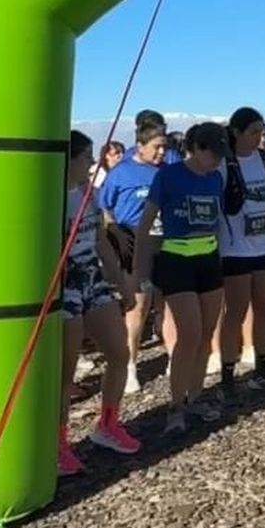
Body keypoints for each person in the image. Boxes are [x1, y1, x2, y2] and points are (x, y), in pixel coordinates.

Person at [132, 122, 228, 433]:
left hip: (209, 259)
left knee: (206, 334)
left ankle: (196, 396)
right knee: (189, 334)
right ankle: (175, 405)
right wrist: (138, 269)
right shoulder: (169, 176)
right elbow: (145, 224)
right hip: (177, 260)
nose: (217, 161)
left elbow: (216, 221)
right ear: (197, 149)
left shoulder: (215, 178)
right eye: (213, 154)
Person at [59, 131, 141, 476]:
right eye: (86, 157)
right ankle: (57, 443)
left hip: (92, 279)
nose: (92, 163)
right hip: (65, 286)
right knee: (65, 370)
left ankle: (107, 424)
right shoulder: (50, 198)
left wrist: (122, 283)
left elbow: (102, 244)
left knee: (119, 353)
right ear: (69, 159)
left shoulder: (88, 194)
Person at [216, 107, 265, 395]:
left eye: (263, 130)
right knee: (236, 311)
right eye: (254, 131)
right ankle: (228, 371)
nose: (260, 136)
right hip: (234, 249)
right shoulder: (224, 163)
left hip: (263, 245)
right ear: (237, 132)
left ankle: (264, 363)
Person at [98, 121, 168, 393]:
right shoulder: (121, 173)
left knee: (167, 303)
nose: (161, 152)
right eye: (156, 147)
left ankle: (174, 356)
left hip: (165, 242)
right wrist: (118, 239)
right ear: (141, 146)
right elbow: (105, 208)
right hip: (135, 245)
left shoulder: (166, 172)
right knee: (138, 306)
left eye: (164, 147)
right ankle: (129, 367)